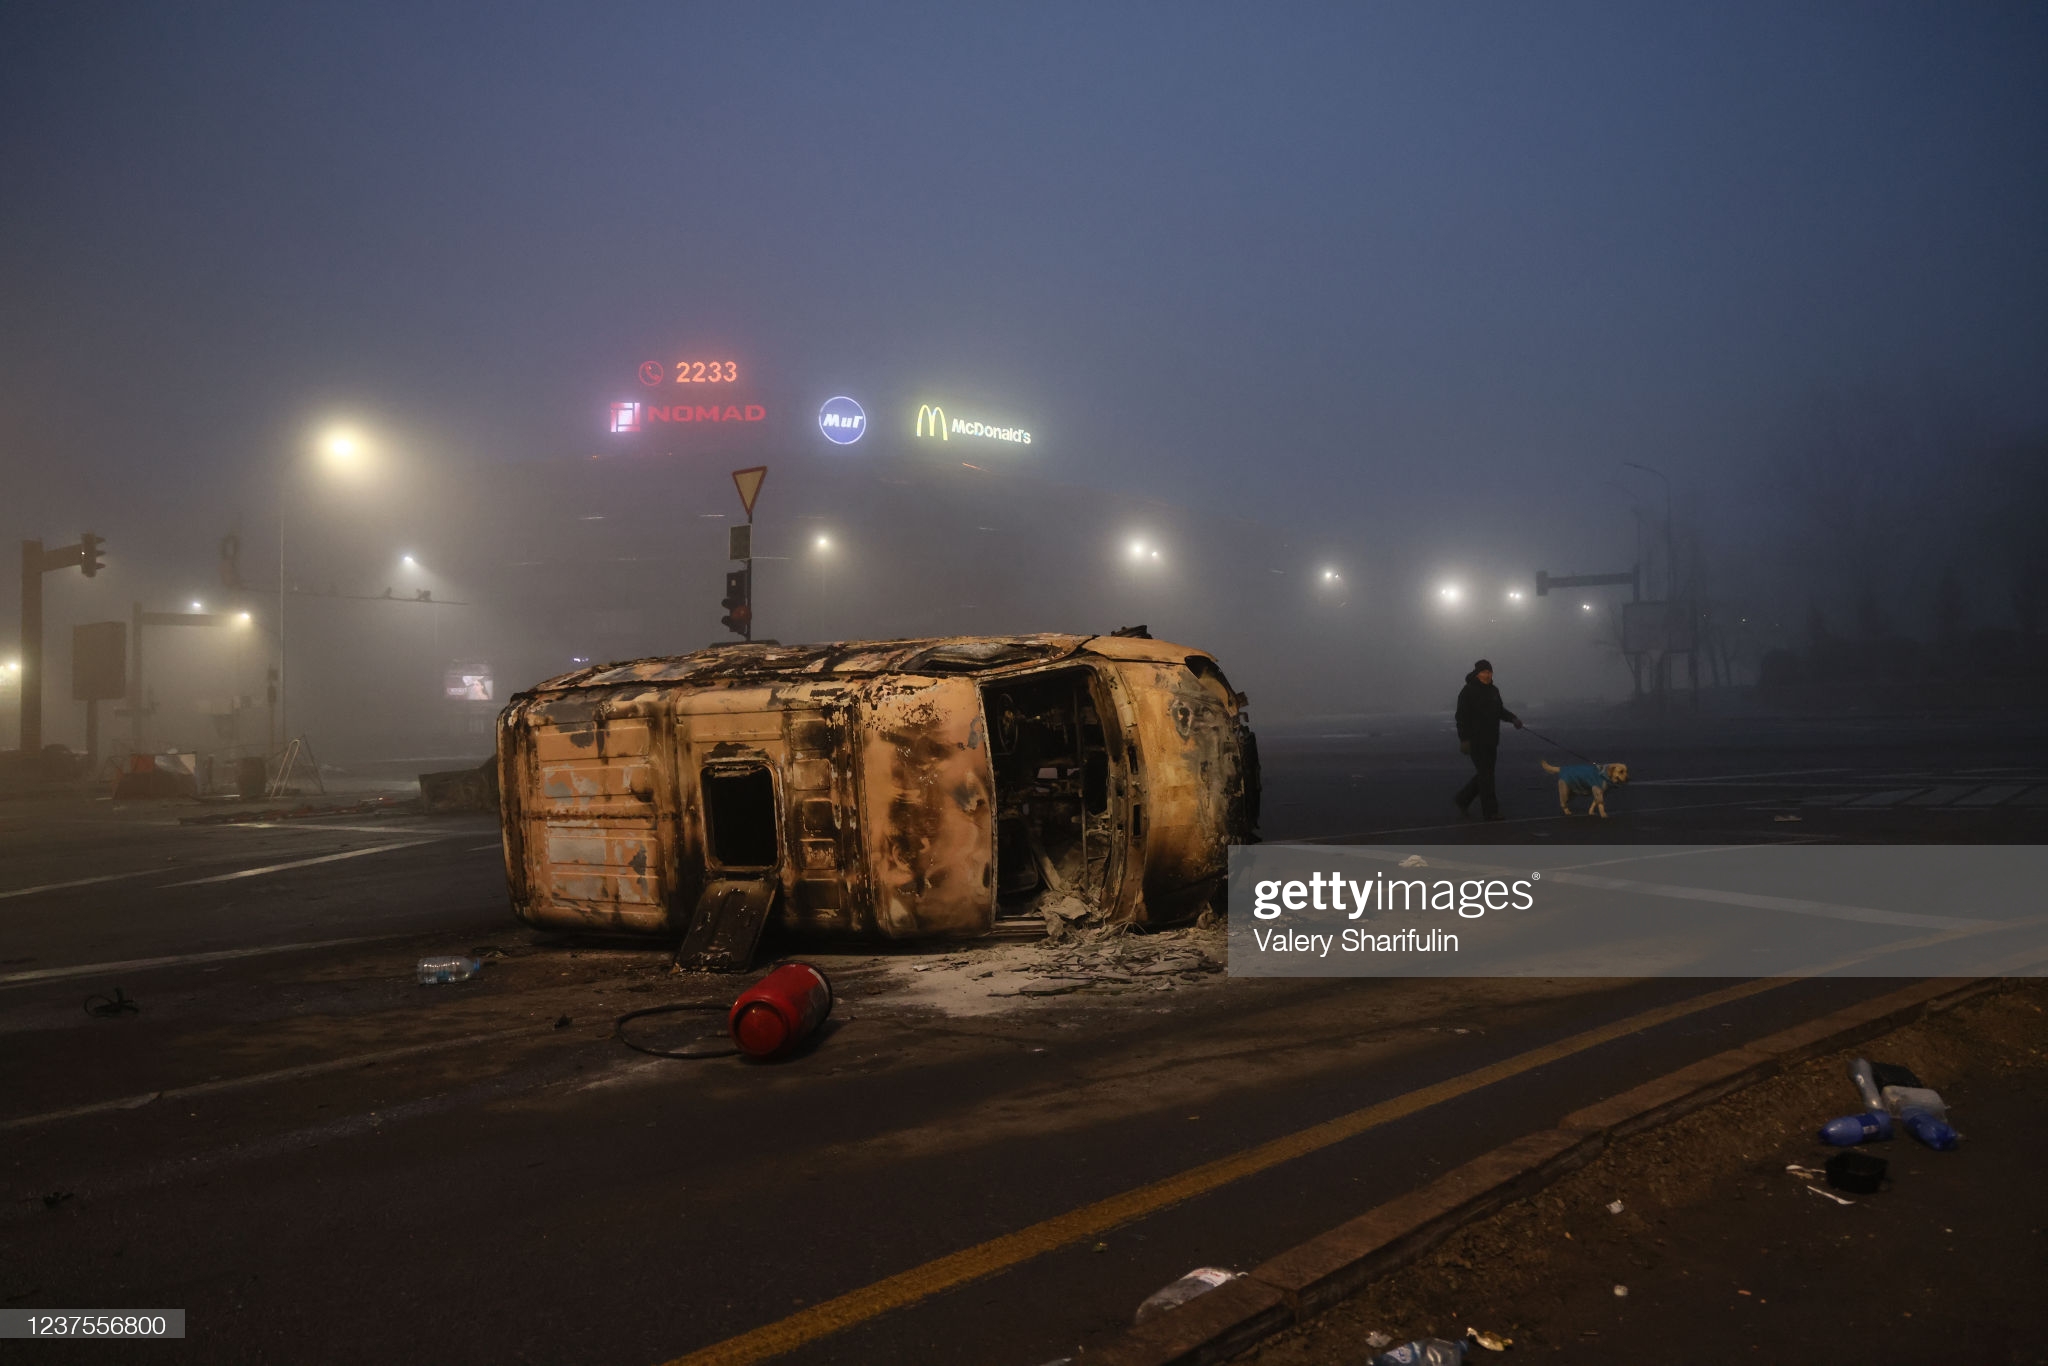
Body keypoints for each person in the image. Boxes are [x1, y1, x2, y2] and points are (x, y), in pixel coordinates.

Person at [1454, 658, 1521, 820]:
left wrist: (1513, 719)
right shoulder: (1467, 691)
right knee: (1486, 775)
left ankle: (1462, 799)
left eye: (1490, 672)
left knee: (1486, 774)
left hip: (1492, 740)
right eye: (1484, 672)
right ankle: (1491, 812)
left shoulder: (1494, 691)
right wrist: (1464, 739)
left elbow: (1500, 711)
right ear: (1477, 674)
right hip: (1475, 741)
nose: (1488, 675)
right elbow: (1461, 717)